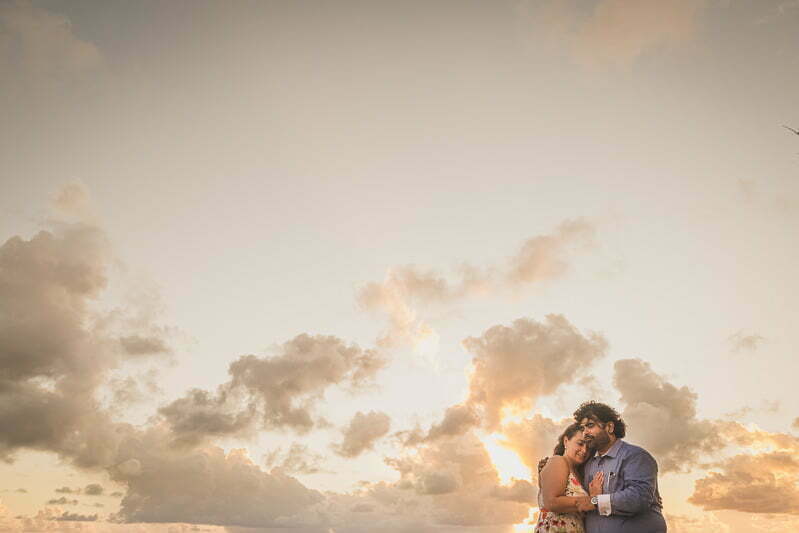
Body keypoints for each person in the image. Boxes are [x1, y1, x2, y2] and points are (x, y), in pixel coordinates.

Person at [573, 401, 667, 533]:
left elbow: (639, 497)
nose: (585, 433)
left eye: (590, 425)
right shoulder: (589, 464)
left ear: (609, 427)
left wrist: (595, 501)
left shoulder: (635, 456)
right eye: (582, 429)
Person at [535, 422, 603, 533]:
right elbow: (552, 502)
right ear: (566, 441)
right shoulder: (558, 461)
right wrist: (594, 500)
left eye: (588, 447)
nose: (584, 450)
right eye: (580, 444)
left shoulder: (579, 474)